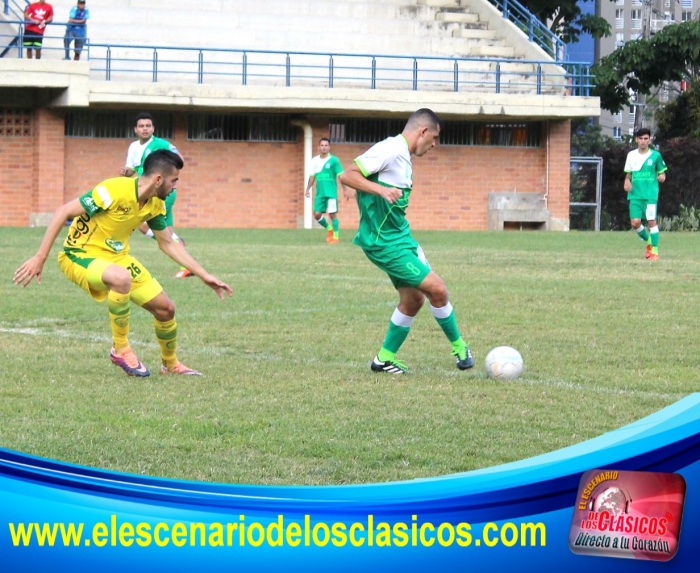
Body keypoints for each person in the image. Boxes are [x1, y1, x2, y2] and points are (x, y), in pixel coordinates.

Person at [13, 150, 233, 377]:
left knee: (166, 309)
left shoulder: (156, 204)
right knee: (121, 278)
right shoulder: (113, 190)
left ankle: (170, 364)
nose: (175, 186)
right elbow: (63, 212)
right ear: (158, 179)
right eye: (174, 180)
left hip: (117, 258)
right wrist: (40, 257)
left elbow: (168, 243)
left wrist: (204, 274)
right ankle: (120, 349)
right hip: (79, 253)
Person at [339, 108, 474, 374]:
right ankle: (460, 349)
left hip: (401, 237)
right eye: (433, 138)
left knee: (414, 300)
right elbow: (347, 175)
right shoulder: (390, 149)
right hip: (384, 243)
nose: (434, 145)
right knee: (438, 289)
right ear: (422, 132)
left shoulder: (403, 156)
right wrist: (381, 190)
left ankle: (383, 359)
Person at [120, 112, 192, 278]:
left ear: (153, 128)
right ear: (135, 129)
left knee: (143, 225)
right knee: (166, 231)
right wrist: (126, 172)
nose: (145, 129)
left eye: (148, 126)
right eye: (141, 126)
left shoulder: (161, 144)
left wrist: (166, 175)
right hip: (148, 191)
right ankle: (185, 265)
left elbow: (179, 160)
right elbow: (132, 170)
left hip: (160, 192)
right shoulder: (133, 147)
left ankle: (178, 243)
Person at [624, 127, 667, 260]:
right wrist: (626, 181)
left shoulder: (655, 155)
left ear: (649, 139)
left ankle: (654, 252)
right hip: (635, 195)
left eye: (646, 139)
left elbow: (662, 171)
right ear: (636, 139)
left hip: (650, 195)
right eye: (641, 138)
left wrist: (662, 176)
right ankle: (649, 241)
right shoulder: (631, 155)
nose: (643, 141)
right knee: (635, 223)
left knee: (651, 221)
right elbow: (628, 174)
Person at [304, 137, 351, 243]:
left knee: (332, 214)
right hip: (320, 193)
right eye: (322, 145)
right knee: (316, 214)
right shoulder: (314, 161)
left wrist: (345, 190)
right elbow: (312, 177)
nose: (324, 147)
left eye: (326, 145)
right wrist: (307, 189)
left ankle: (336, 237)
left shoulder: (334, 160)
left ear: (329, 147)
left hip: (331, 193)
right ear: (318, 147)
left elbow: (341, 176)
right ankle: (329, 229)